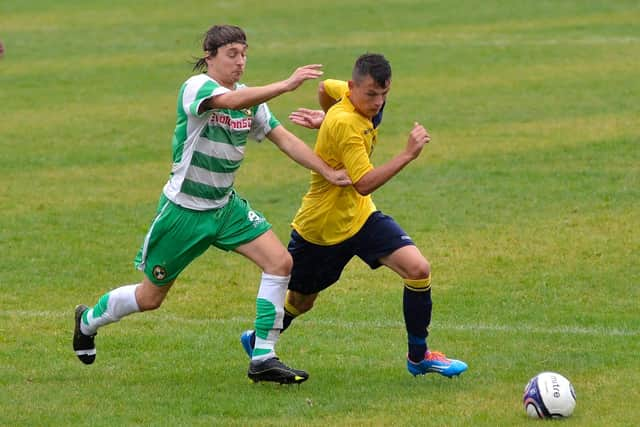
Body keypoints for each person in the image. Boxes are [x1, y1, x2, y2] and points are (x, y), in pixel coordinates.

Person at [72, 24, 352, 385]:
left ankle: (264, 357)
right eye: (232, 54)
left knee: (281, 262)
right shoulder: (197, 88)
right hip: (184, 212)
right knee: (151, 296)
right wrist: (285, 85)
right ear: (210, 57)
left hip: (225, 209)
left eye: (244, 54)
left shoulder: (251, 99)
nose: (240, 62)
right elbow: (229, 101)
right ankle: (87, 320)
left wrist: (327, 171)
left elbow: (284, 139)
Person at [241, 53, 468, 378]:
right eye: (371, 95)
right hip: (322, 229)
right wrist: (406, 154)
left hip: (360, 217)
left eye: (383, 95)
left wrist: (326, 117)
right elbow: (363, 183)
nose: (378, 103)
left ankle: (419, 357)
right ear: (352, 88)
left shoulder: (348, 102)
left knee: (418, 269)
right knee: (302, 301)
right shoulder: (347, 125)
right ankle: (259, 339)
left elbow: (324, 87)